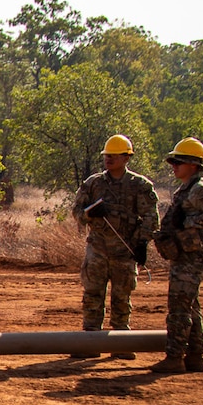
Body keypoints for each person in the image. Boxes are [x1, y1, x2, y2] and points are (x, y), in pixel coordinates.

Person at [68, 134, 158, 359]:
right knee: (92, 295)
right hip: (97, 250)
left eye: (114, 155)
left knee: (122, 297)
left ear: (126, 158)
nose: (108, 159)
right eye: (107, 155)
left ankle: (121, 342)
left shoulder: (140, 186)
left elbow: (150, 217)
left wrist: (142, 242)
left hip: (124, 252)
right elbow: (77, 213)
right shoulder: (93, 183)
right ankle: (90, 341)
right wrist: (89, 214)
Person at [150, 137, 203, 374]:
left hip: (192, 257)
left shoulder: (201, 189)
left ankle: (175, 357)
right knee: (191, 307)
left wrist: (189, 221)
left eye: (179, 162)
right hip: (184, 255)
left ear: (193, 164)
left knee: (179, 308)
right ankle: (195, 357)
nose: (174, 166)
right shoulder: (185, 190)